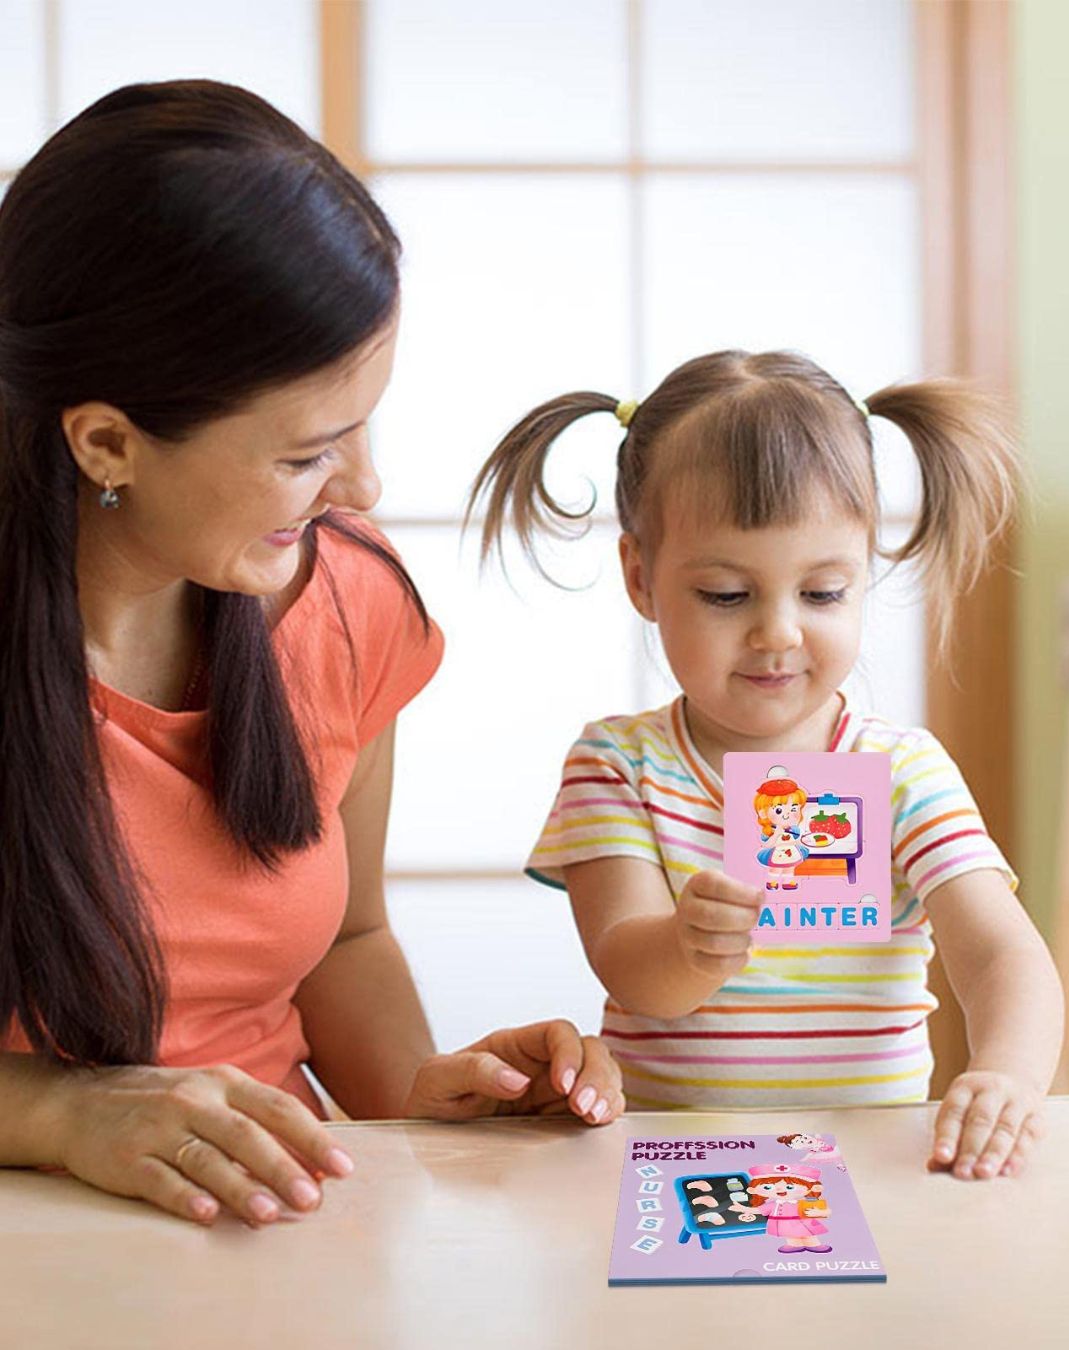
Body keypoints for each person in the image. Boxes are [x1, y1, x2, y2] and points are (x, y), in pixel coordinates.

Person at [0, 80, 623, 1230]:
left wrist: (425, 1099)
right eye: (307, 454)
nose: (364, 489)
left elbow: (347, 937)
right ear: (107, 441)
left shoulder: (345, 601)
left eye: (363, 427)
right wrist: (64, 1115)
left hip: (285, 1236)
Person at [468, 349, 1064, 1180]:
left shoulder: (901, 768)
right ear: (641, 577)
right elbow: (631, 971)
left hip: (872, 1169)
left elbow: (1002, 954)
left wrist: (1007, 1074)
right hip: (676, 1171)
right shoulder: (619, 764)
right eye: (725, 595)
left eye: (822, 594)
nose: (779, 633)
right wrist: (688, 948)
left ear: (866, 575)